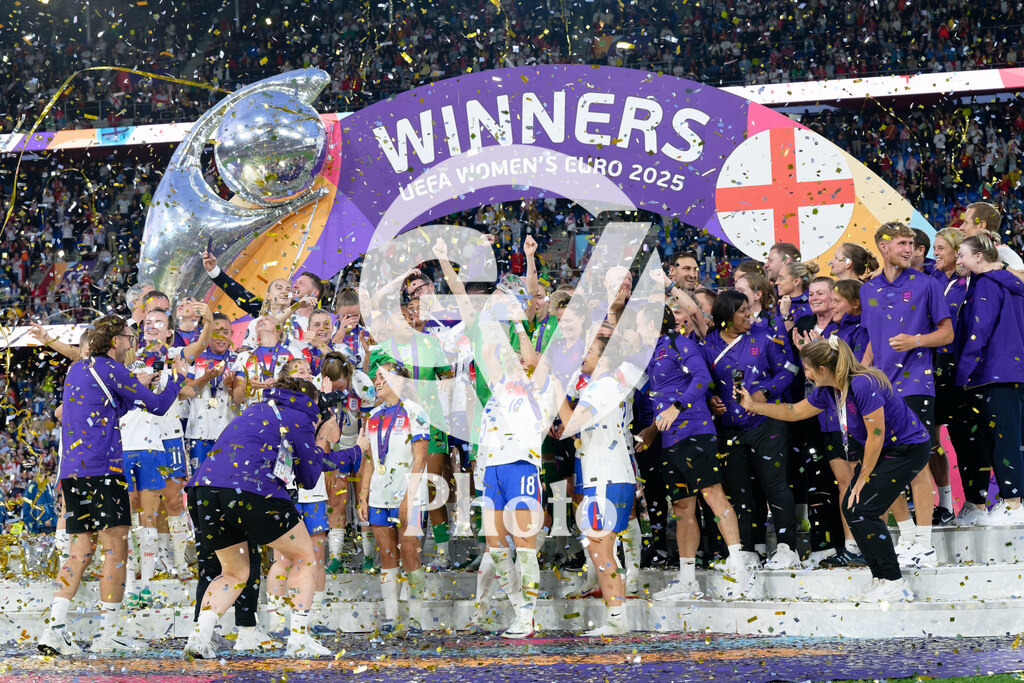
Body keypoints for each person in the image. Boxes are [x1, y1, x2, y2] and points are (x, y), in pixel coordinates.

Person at [738, 337, 931, 602]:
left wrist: (862, 477)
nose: (805, 374)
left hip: (908, 448)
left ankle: (894, 581)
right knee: (850, 508)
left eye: (807, 368)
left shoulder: (863, 383)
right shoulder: (829, 390)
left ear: (823, 369)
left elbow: (876, 433)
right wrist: (754, 406)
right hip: (887, 450)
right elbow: (794, 411)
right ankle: (880, 578)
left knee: (864, 510)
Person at [185, 377, 363, 658]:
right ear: (311, 400)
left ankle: (198, 637)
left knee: (233, 572)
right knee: (305, 557)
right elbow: (307, 477)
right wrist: (332, 442)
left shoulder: (256, 409)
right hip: (252, 489)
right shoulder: (302, 414)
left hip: (205, 489)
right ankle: (299, 638)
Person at [39, 315, 183, 656]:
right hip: (104, 470)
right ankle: (110, 633)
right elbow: (160, 406)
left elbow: (105, 409)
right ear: (115, 341)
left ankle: (54, 629)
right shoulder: (113, 369)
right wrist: (176, 378)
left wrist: (135, 388)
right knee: (116, 549)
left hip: (74, 472)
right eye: (129, 339)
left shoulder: (77, 370)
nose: (132, 344)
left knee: (79, 551)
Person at [633, 305, 749, 600]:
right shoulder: (647, 355)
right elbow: (659, 397)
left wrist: (678, 407)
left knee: (713, 495)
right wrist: (651, 431)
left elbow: (702, 379)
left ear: (649, 321)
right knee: (683, 508)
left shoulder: (678, 342)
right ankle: (688, 582)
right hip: (669, 439)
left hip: (695, 431)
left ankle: (740, 570)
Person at [861, 222, 952, 568]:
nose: (909, 248)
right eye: (902, 242)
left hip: (916, 386)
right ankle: (909, 537)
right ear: (883, 247)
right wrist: (861, 375)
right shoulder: (868, 290)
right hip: (881, 390)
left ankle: (925, 544)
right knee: (887, 466)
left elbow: (946, 333)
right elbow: (871, 339)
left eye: (911, 243)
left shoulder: (927, 284)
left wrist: (915, 341)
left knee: (916, 464)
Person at [698, 290, 799, 569]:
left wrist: (766, 390)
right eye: (741, 311)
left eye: (748, 309)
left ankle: (787, 547)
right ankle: (749, 549)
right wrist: (710, 399)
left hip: (767, 422)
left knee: (775, 483)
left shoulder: (763, 337)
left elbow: (789, 368)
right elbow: (701, 380)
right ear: (725, 316)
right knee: (739, 490)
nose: (748, 315)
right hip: (730, 428)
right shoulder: (708, 346)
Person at [954, 232, 1024, 525]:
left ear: (979, 257)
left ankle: (1012, 503)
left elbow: (977, 332)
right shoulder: (1013, 284)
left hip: (993, 374)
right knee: (1012, 438)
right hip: (1014, 371)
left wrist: (961, 374)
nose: (958, 259)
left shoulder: (986, 284)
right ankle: (1014, 501)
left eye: (962, 254)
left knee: (1002, 440)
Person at [356, 362, 430, 633]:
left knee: (409, 555)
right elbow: (369, 461)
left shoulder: (416, 412)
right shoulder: (372, 415)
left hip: (408, 496)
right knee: (387, 556)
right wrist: (363, 496)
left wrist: (408, 499)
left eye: (382, 377)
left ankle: (417, 620)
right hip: (379, 495)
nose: (376, 381)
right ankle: (391, 618)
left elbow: (420, 461)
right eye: (375, 377)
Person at [929, 227, 972, 526]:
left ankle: (973, 502)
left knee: (962, 437)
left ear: (957, 251)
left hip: (958, 366)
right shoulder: (932, 279)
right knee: (930, 437)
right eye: (934, 248)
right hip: (930, 364)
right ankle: (944, 505)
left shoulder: (968, 282)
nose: (936, 254)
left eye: (941, 248)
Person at [960, 201, 1024, 270]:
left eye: (966, 223)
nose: (960, 227)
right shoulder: (964, 256)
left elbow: (1020, 279)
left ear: (981, 225)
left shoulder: (1005, 254)